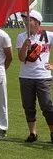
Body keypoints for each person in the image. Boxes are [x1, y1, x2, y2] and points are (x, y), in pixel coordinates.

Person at [16, 10, 53, 143]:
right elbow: (21, 58)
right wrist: (25, 46)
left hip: (43, 77)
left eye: (29, 19)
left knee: (47, 106)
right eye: (25, 19)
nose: (26, 22)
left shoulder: (48, 36)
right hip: (26, 76)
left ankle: (52, 132)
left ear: (37, 22)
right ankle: (32, 133)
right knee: (28, 106)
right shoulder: (21, 37)